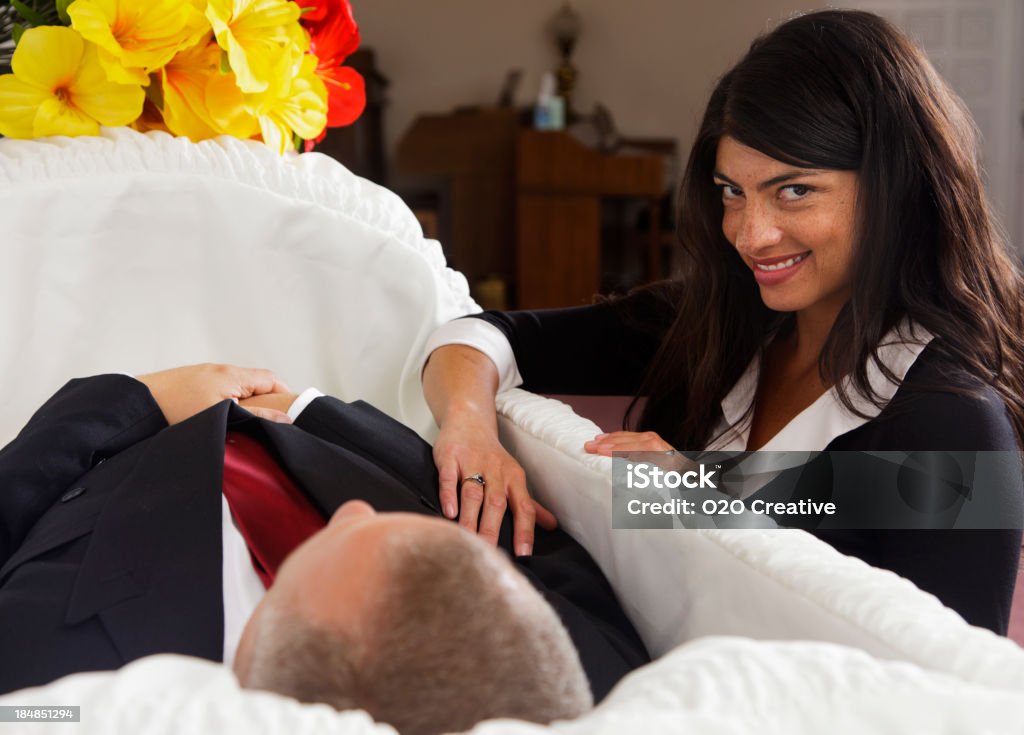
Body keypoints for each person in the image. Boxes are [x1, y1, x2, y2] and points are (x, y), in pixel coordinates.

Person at [421, 9, 1024, 635]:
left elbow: (955, 677)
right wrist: (469, 427)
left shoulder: (952, 418)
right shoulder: (719, 324)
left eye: (794, 191)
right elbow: (481, 336)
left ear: (896, 188)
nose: (750, 235)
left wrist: (704, 488)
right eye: (733, 192)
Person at [0, 364, 649, 735]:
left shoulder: (51, 682)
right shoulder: (577, 675)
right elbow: (535, 540)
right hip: (307, 417)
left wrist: (141, 397)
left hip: (119, 433)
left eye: (348, 536)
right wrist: (307, 407)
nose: (355, 511)